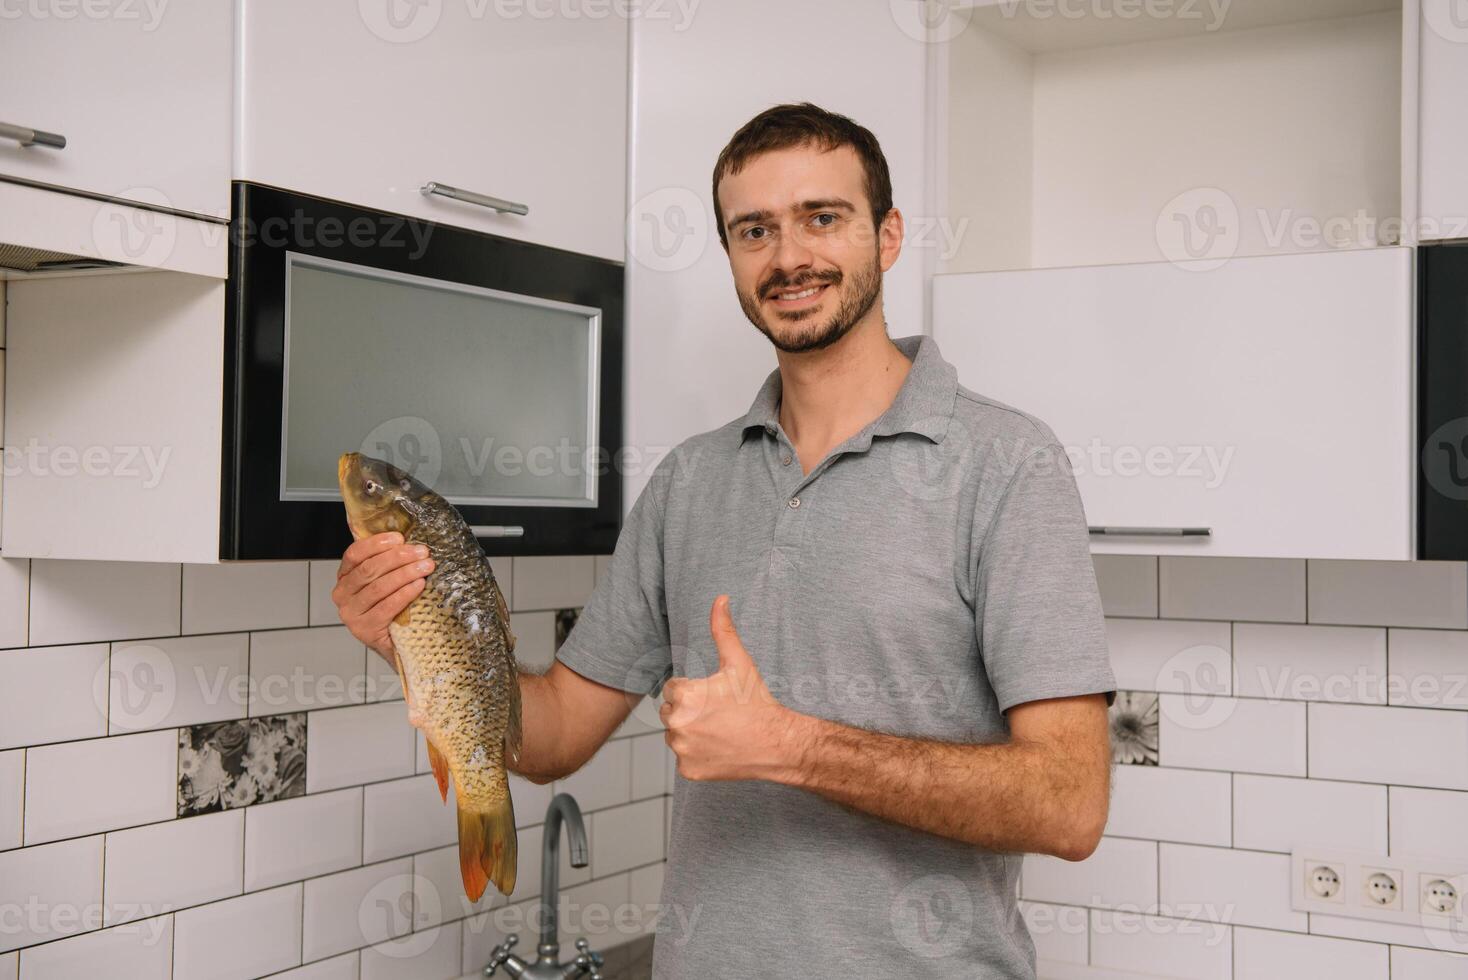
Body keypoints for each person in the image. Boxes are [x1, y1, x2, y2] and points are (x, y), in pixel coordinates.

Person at [334, 101, 1117, 979]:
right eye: (755, 230)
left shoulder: (1005, 465)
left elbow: (1070, 803)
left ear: (888, 236)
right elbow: (550, 737)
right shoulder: (689, 483)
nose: (789, 258)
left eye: (823, 218)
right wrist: (409, 633)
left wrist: (794, 748)